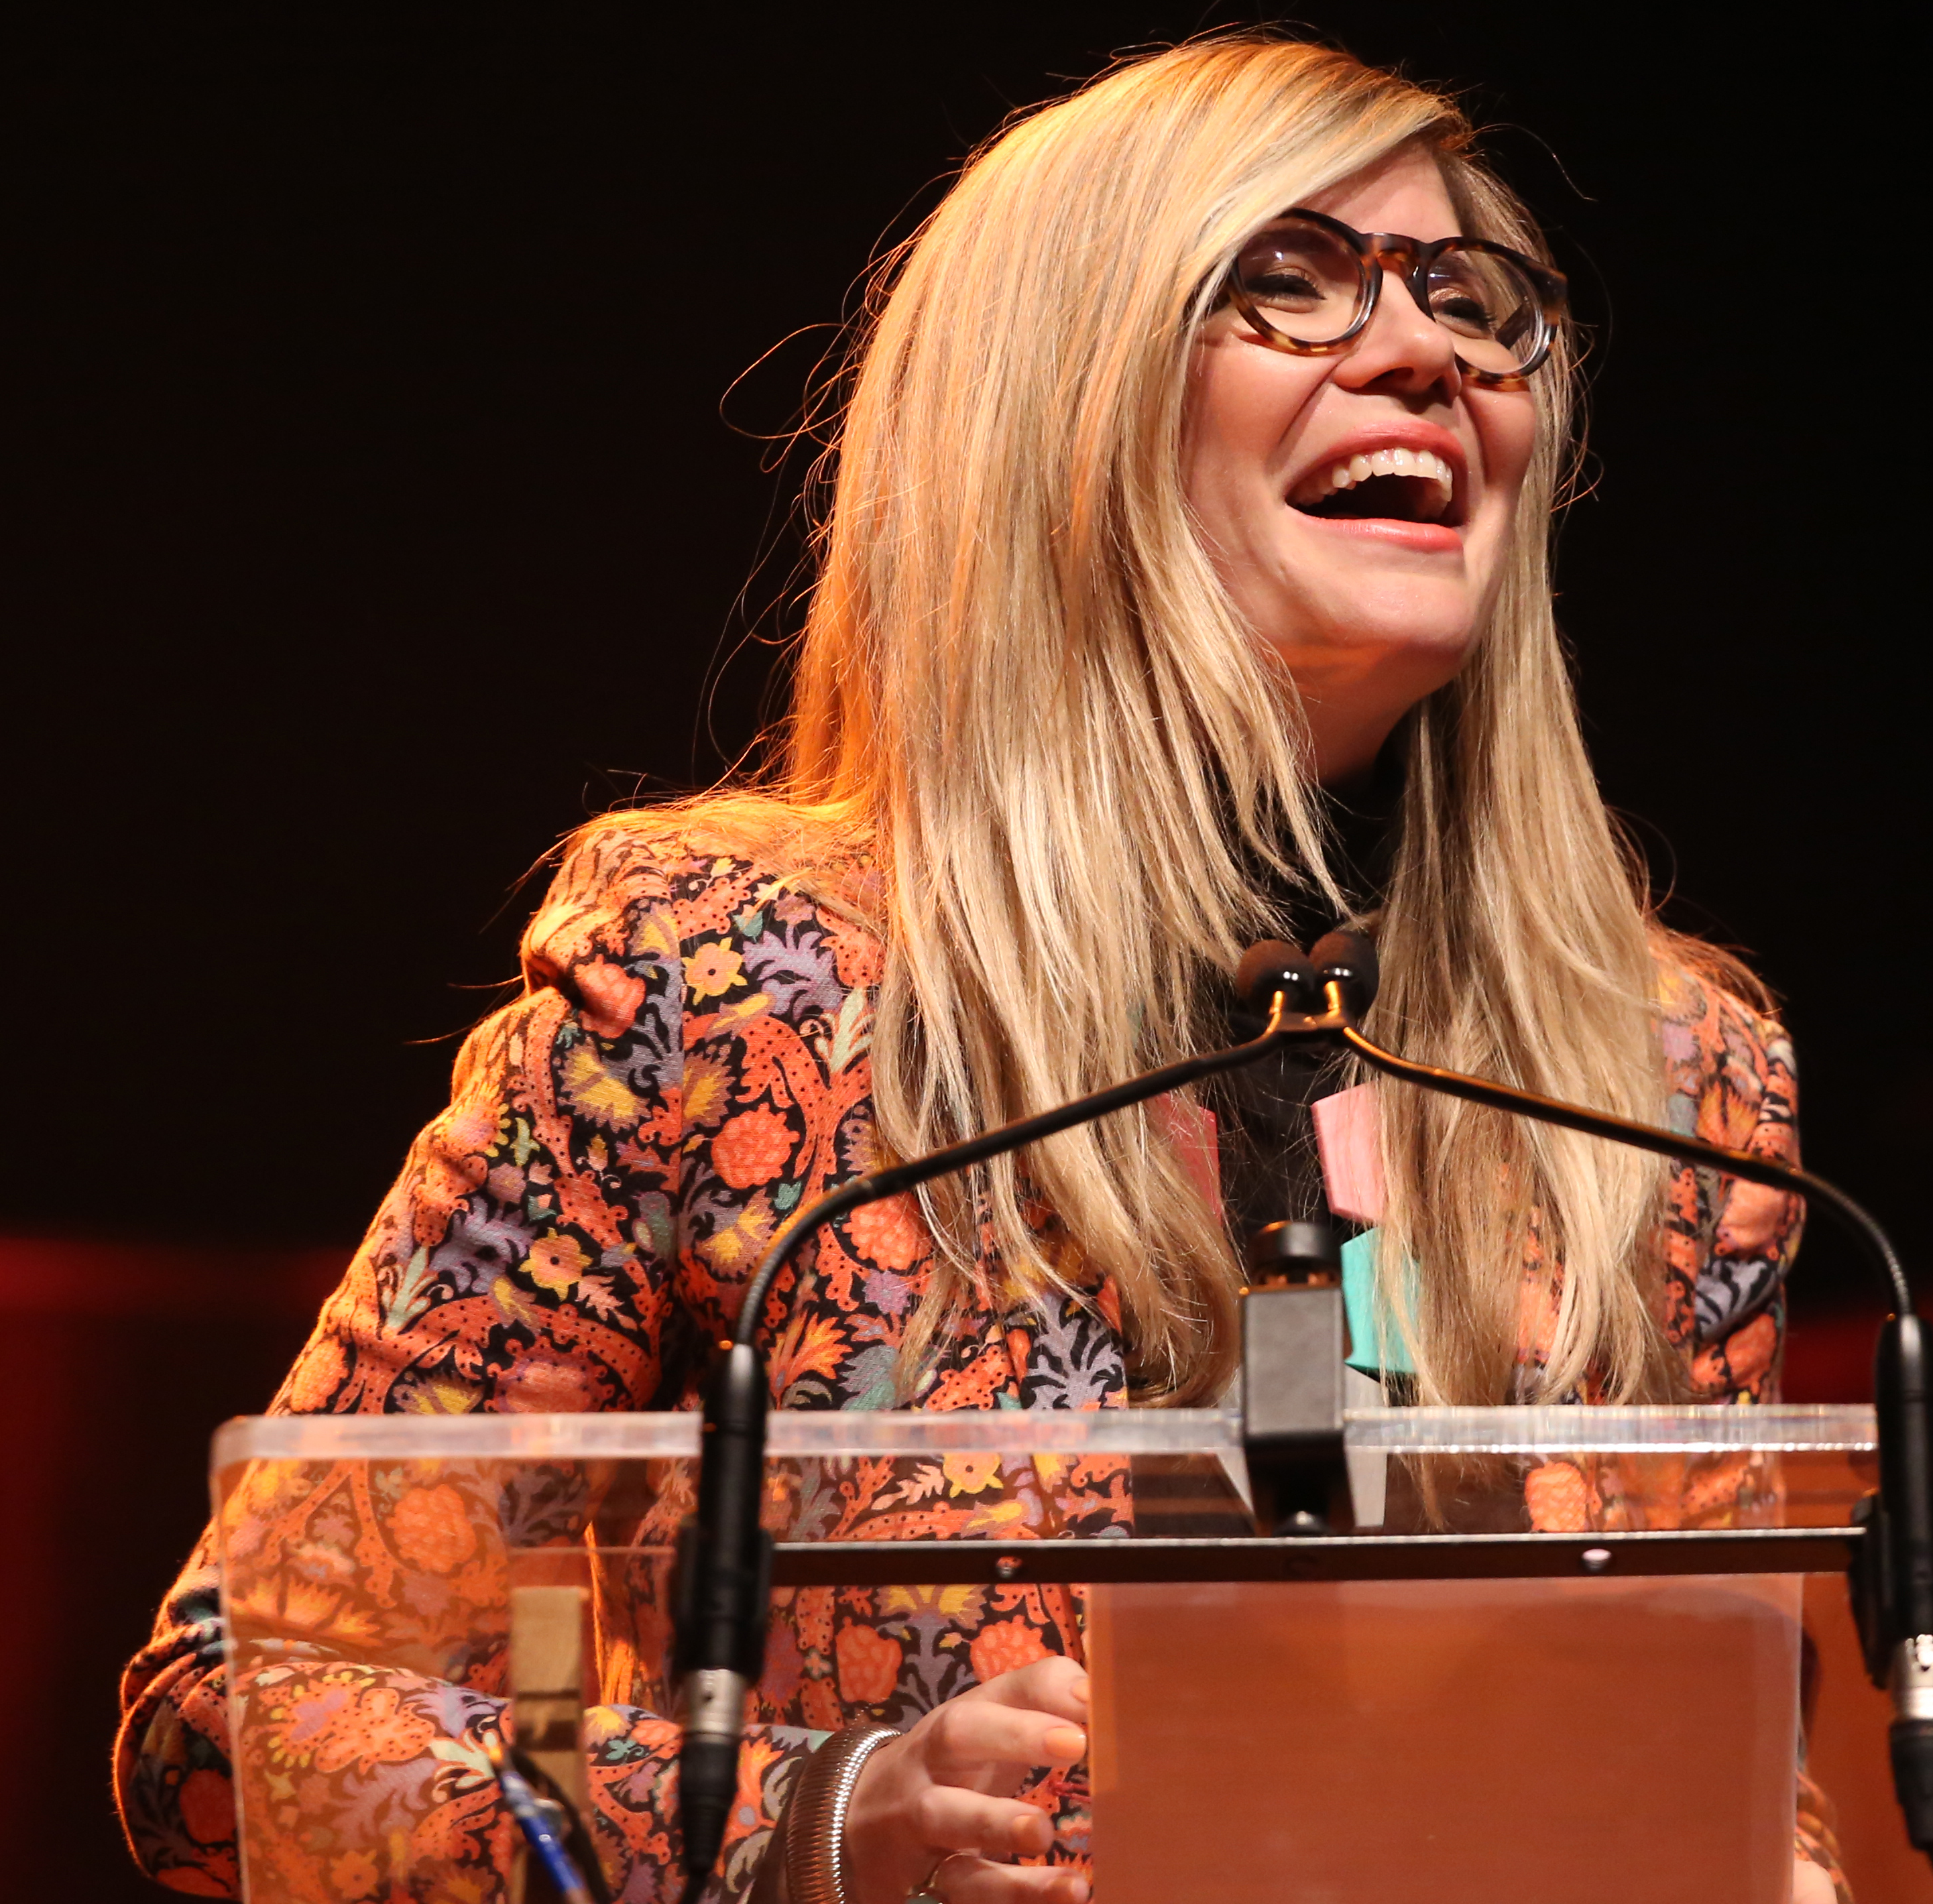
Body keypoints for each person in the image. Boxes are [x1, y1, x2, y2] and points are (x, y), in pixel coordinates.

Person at [116, 34, 1842, 1904]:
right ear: (1064, 394)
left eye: (1468, 296)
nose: (1423, 351)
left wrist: (1784, 1866)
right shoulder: (730, 990)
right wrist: (809, 1822)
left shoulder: (1664, 1082)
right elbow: (242, 1716)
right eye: (1285, 279)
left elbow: (1722, 1742)